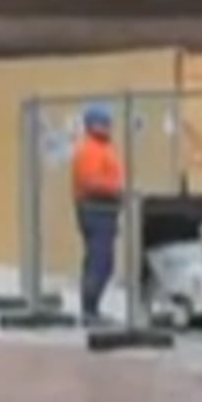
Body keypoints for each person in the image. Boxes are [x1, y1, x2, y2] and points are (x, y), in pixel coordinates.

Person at [71, 104, 124, 325]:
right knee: (100, 261)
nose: (109, 127)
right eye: (105, 123)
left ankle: (91, 309)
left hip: (104, 210)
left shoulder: (103, 148)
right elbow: (90, 182)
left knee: (101, 260)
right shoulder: (90, 150)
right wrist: (116, 190)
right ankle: (89, 310)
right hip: (96, 209)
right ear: (93, 125)